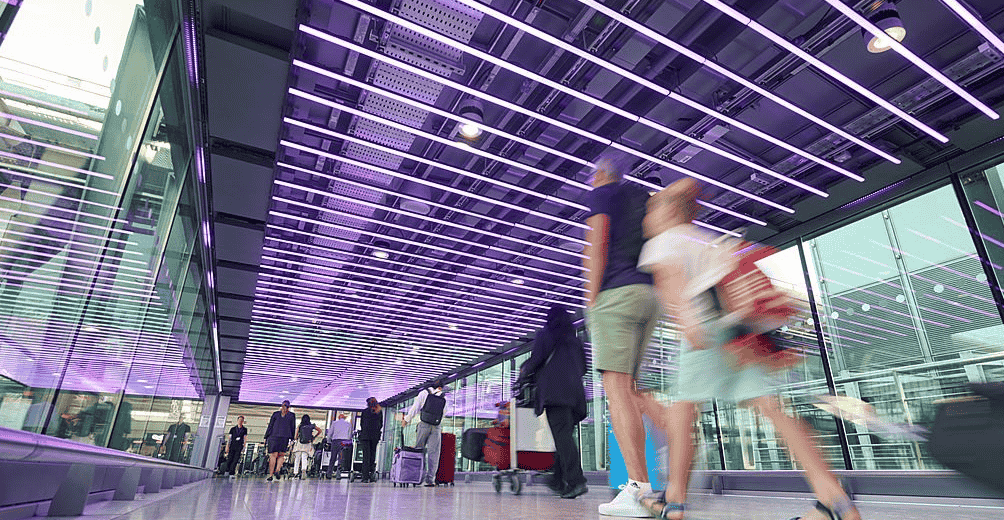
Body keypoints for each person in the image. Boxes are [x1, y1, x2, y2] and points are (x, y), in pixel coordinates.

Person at [637, 179, 862, 520]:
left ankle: (675, 500)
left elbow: (671, 282)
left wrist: (688, 324)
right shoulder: (703, 239)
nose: (646, 219)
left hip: (704, 328)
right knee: (772, 407)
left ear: (668, 212)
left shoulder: (664, 240)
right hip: (739, 330)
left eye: (650, 210)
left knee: (683, 410)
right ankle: (833, 497)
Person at [583, 154, 667, 517]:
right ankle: (677, 441)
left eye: (593, 175)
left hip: (616, 295)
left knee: (617, 390)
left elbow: (597, 242)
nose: (591, 181)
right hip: (648, 295)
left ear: (602, 174)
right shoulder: (643, 198)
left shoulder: (604, 193)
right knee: (632, 390)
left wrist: (592, 298)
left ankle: (638, 490)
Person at [520, 303, 589, 499]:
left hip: (555, 396)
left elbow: (536, 360)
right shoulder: (575, 340)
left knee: (563, 438)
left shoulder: (546, 335)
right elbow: (583, 368)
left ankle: (576, 481)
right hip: (575, 397)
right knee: (563, 437)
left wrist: (524, 369)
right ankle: (558, 480)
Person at [402, 380, 446, 487]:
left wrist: (407, 419)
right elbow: (444, 413)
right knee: (434, 453)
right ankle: (430, 480)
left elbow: (415, 407)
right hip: (436, 427)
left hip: (424, 425)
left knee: (418, 451)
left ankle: (416, 477)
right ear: (440, 387)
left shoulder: (424, 393)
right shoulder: (443, 396)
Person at [264, 400, 296, 482]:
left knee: (273, 455)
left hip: (274, 436)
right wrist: (292, 439)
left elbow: (270, 426)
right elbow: (293, 427)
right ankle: (277, 469)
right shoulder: (292, 415)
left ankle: (270, 475)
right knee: (281, 455)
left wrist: (266, 437)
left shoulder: (275, 414)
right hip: (285, 437)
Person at [359, 397, 384, 482]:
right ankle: (371, 474)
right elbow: (381, 424)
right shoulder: (379, 412)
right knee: (372, 455)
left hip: (365, 436)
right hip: (375, 437)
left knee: (366, 456)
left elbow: (362, 424)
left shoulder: (365, 412)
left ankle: (365, 476)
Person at [292, 414, 322, 479]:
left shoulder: (300, 426)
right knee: (304, 457)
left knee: (297, 458)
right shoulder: (312, 426)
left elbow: (295, 436)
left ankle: (295, 472)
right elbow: (320, 430)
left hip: (300, 443)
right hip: (308, 443)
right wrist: (314, 437)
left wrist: (297, 438)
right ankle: (303, 470)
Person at [325, 413, 354, 479]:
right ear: (344, 418)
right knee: (341, 458)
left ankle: (329, 473)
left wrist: (328, 441)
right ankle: (338, 473)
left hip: (335, 441)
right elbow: (350, 434)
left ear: (338, 417)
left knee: (333, 458)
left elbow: (330, 433)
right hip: (344, 442)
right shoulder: (348, 424)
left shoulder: (334, 423)